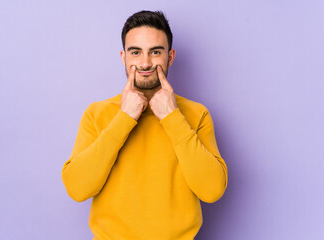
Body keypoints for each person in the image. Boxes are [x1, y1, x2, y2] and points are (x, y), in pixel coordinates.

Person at [61, 10, 228, 240]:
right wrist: (124, 118)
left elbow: (212, 191)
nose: (145, 62)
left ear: (170, 57)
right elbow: (77, 189)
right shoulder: (97, 113)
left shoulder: (196, 114)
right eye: (136, 52)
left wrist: (172, 117)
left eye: (155, 52)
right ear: (124, 58)